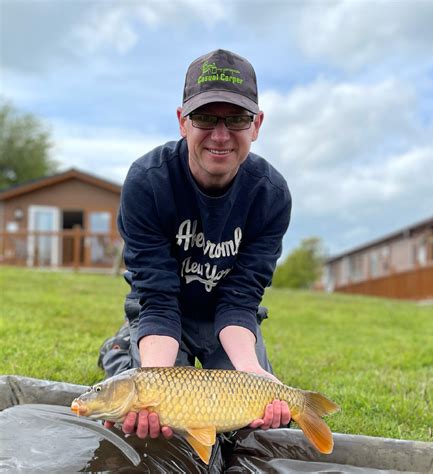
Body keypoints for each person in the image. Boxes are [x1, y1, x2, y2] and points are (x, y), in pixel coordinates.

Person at [103, 49, 292, 440]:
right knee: (151, 417)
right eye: (205, 117)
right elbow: (157, 297)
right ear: (182, 122)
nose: (220, 136)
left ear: (256, 125)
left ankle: (234, 368)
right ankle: (124, 349)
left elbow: (241, 299)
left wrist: (253, 375)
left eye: (237, 119)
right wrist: (151, 385)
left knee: (248, 424)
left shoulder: (271, 195)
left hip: (230, 322)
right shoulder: (146, 182)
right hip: (161, 316)